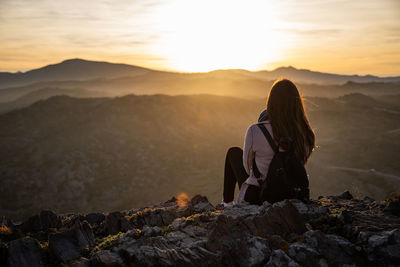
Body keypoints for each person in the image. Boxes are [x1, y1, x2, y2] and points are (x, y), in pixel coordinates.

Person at [222, 79, 315, 206]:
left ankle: (227, 203)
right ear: (297, 103)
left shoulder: (255, 130)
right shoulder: (306, 133)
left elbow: (247, 168)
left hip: (260, 196)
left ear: (271, 102)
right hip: (292, 194)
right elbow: (299, 164)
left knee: (233, 152)